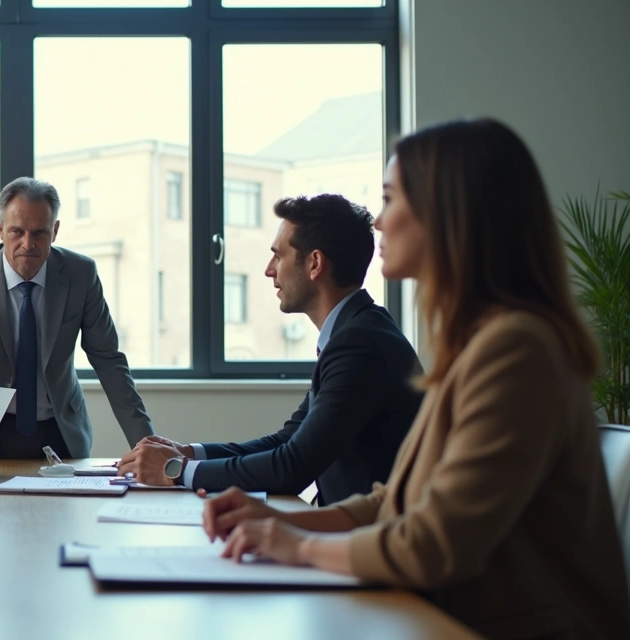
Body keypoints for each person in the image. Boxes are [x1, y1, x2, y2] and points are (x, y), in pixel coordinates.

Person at [202, 119, 630, 638]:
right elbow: (393, 502)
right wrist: (279, 524)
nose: (378, 223)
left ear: (448, 213)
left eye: (390, 198)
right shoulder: (477, 341)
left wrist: (298, 547)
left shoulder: (517, 348)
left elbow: (432, 545)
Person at [117, 195, 422, 505]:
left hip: (368, 540)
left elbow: (291, 467)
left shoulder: (359, 344)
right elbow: (287, 442)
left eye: (278, 256)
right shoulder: (355, 331)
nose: (268, 270)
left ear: (315, 263)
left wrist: (177, 470)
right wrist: (188, 453)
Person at [0, 177, 155, 463]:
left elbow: (109, 360)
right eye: (16, 232)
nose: (27, 244)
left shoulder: (80, 274)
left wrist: (145, 441)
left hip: (59, 430)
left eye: (39, 233)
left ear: (55, 231)